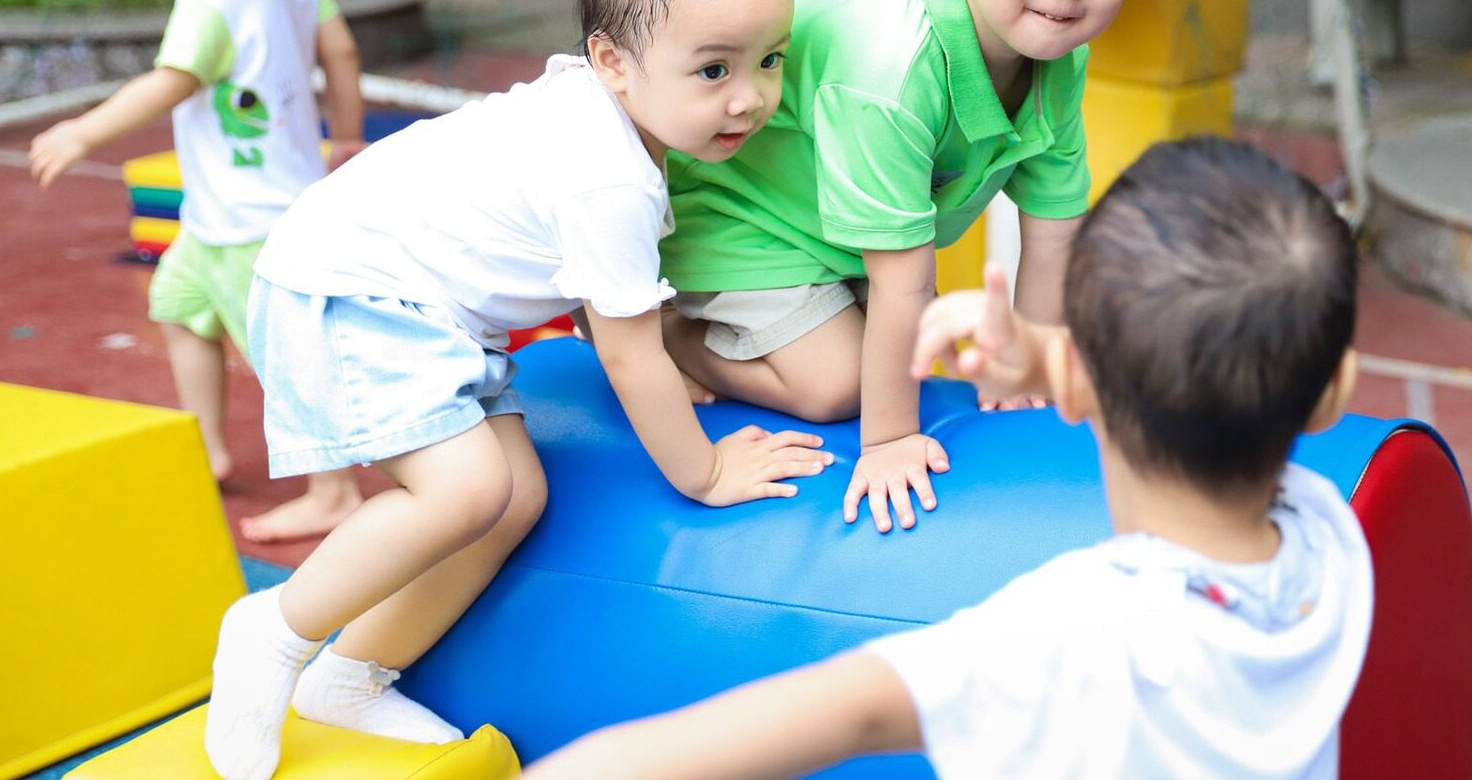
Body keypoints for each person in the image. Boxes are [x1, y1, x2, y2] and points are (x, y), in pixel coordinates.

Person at [201, 0, 835, 780]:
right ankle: (272, 630)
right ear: (613, 60)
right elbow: (628, 351)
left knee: (515, 498)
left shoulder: (605, 115)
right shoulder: (611, 176)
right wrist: (703, 472)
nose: (750, 97)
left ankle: (352, 675)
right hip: (350, 289)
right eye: (714, 69)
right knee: (463, 490)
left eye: (770, 60)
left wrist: (672, 365)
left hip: (421, 305)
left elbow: (592, 291)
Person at [528, 137, 1373, 780]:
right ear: (1332, 393)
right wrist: (1043, 359)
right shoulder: (1331, 542)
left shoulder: (1079, 635)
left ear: (1081, 385)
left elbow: (838, 714)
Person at [661, 0, 1164, 533]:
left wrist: (1028, 362)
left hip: (828, 235)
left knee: (902, 341)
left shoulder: (1059, 56)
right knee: (841, 383)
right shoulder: (895, 70)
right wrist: (890, 438)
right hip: (733, 211)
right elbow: (904, 284)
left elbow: (1055, 233)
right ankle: (665, 334)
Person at [29, 0, 368, 543]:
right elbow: (342, 54)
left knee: (286, 361)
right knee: (178, 306)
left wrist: (83, 132)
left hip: (249, 226)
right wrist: (346, 138)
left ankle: (335, 489)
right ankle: (209, 445)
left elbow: (172, 80)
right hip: (234, 215)